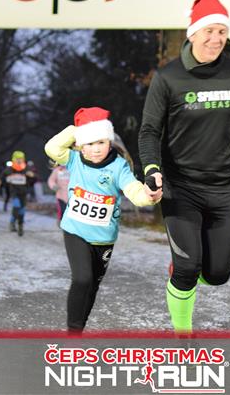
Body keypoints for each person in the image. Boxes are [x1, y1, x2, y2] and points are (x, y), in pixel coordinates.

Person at [138, 0, 230, 334]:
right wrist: (152, 169)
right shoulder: (168, 78)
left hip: (224, 189)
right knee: (188, 269)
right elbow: (150, 130)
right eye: (209, 31)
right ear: (193, 33)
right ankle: (183, 333)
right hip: (180, 188)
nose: (216, 39)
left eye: (222, 32)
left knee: (217, 274)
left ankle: (185, 274)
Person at [45, 107, 159, 333]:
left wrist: (148, 196)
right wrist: (77, 130)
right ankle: (73, 333)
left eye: (101, 142)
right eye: (89, 143)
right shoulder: (74, 159)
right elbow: (52, 148)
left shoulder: (118, 166)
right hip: (75, 231)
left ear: (109, 140)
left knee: (93, 285)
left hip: (104, 238)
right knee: (82, 279)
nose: (96, 149)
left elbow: (134, 190)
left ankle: (79, 327)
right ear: (80, 145)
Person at [0, 151, 33, 235]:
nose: (19, 160)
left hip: (24, 192)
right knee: (16, 206)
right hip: (14, 191)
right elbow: (3, 175)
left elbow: (34, 178)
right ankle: (12, 223)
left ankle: (20, 225)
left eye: (20, 159)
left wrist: (32, 175)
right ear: (13, 159)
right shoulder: (10, 169)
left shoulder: (26, 168)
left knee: (22, 210)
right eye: (17, 159)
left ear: (23, 159)